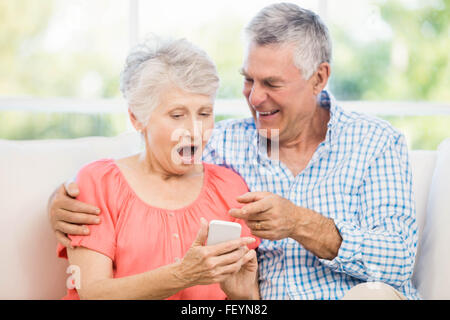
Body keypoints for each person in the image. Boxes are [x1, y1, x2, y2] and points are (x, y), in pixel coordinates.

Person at [49, 3, 420, 300]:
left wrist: (299, 222)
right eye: (247, 80)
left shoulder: (376, 143)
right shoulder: (220, 145)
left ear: (318, 78)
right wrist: (60, 198)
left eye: (272, 83)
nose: (255, 98)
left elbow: (398, 260)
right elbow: (146, 157)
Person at [54, 37, 260, 300]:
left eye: (205, 113)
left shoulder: (230, 188)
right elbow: (94, 294)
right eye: (177, 115)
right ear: (137, 118)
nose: (195, 131)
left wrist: (245, 299)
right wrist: (183, 274)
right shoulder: (99, 183)